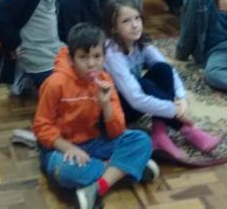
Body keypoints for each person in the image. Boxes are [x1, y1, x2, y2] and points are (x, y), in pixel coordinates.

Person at [33, 23, 159, 209]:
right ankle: (122, 170)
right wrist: (68, 147)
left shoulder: (104, 81)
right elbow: (41, 126)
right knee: (66, 172)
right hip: (59, 148)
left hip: (95, 142)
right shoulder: (54, 84)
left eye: (97, 56)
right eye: (83, 57)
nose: (91, 63)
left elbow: (117, 131)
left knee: (142, 140)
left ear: (104, 57)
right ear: (71, 59)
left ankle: (99, 186)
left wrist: (105, 104)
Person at [103, 0, 221, 162]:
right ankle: (187, 129)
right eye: (126, 21)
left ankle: (159, 134)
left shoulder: (139, 42)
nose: (135, 25)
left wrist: (181, 98)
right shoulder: (112, 54)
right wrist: (174, 110)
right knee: (144, 85)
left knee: (162, 70)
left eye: (137, 18)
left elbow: (168, 70)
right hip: (116, 110)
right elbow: (135, 99)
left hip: (131, 101)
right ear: (114, 28)